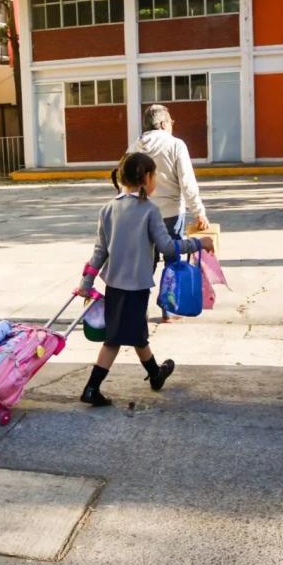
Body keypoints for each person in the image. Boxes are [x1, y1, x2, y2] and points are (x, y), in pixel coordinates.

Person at [75, 153, 214, 407]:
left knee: (133, 334)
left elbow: (99, 251)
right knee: (117, 338)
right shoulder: (149, 210)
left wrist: (86, 283)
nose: (156, 183)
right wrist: (198, 243)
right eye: (155, 177)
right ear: (146, 178)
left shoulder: (108, 208)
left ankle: (154, 375)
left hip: (115, 285)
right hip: (137, 286)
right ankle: (93, 388)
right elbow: (167, 247)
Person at [128, 104, 211, 322]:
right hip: (171, 214)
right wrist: (199, 212)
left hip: (141, 214)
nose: (172, 126)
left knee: (145, 264)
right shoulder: (176, 145)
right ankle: (170, 310)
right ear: (164, 124)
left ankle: (139, 310)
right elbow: (187, 182)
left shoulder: (133, 147)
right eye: (171, 122)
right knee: (173, 261)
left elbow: (123, 181)